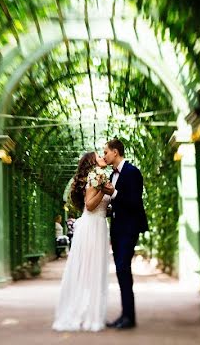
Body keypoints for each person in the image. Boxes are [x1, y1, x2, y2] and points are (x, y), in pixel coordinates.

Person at [52, 152, 112, 331]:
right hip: (91, 227)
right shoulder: (95, 178)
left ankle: (93, 312)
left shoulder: (98, 177)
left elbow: (102, 207)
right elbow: (90, 205)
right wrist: (103, 189)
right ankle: (86, 314)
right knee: (88, 269)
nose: (103, 156)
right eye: (99, 155)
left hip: (99, 225)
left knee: (96, 268)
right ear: (92, 163)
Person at [102, 138, 148, 330]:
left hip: (130, 229)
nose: (104, 156)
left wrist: (114, 194)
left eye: (106, 152)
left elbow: (135, 202)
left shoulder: (132, 172)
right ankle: (125, 315)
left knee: (122, 268)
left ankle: (129, 317)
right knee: (122, 272)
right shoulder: (112, 175)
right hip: (117, 229)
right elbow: (117, 204)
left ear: (115, 152)